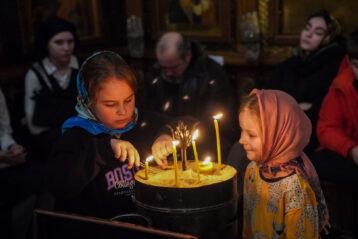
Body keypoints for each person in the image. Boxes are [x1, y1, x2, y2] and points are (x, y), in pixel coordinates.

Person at [46, 51, 176, 219]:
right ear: (88, 102)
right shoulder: (76, 136)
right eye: (110, 104)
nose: (123, 111)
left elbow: (188, 122)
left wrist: (167, 134)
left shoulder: (142, 122)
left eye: (129, 100)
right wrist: (103, 148)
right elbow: (59, 185)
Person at [239, 89, 329, 238]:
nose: (242, 140)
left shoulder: (295, 190)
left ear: (279, 135)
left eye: (251, 135)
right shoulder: (253, 169)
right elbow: (249, 224)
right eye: (241, 131)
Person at [264, 9, 345, 155]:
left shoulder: (333, 68)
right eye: (307, 28)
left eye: (318, 32)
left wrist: (287, 107)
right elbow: (267, 97)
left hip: (308, 138)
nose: (308, 34)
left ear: (327, 38)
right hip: (276, 129)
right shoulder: (288, 65)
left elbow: (321, 111)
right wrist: (296, 107)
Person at [146, 32, 236, 158]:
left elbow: (212, 124)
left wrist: (179, 143)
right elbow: (152, 114)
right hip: (164, 141)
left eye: (173, 67)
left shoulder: (212, 75)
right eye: (164, 68)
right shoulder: (155, 73)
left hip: (202, 145)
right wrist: (162, 135)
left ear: (187, 56)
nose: (168, 73)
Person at [24, 17, 80, 161]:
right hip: (50, 142)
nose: (66, 48)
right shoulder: (35, 74)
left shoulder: (82, 67)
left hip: (82, 136)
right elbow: (33, 127)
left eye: (70, 41)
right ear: (46, 44)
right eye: (59, 42)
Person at [314, 30, 358, 183]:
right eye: (357, 66)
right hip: (351, 152)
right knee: (319, 162)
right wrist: (351, 150)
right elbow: (326, 129)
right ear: (348, 61)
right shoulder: (341, 86)